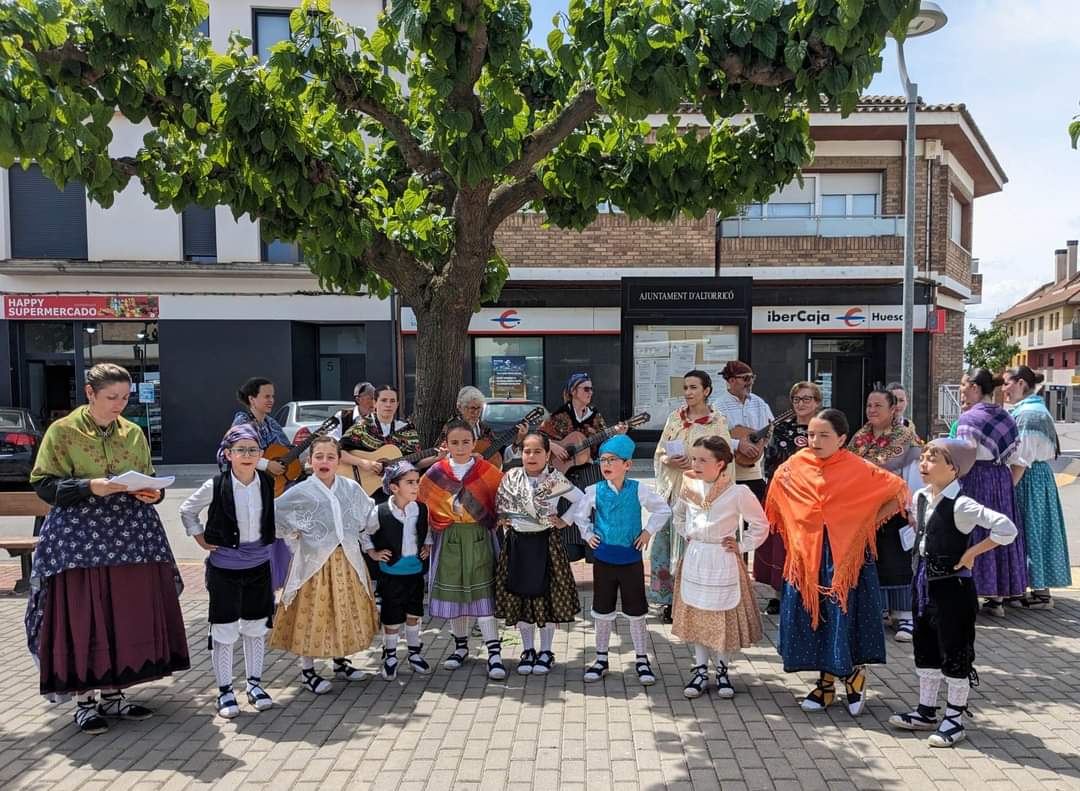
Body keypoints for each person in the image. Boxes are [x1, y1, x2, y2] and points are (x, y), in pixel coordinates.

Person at [25, 363, 189, 735]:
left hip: (131, 534)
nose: (119, 405)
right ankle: (84, 701)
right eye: (112, 398)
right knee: (85, 613)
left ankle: (116, 693)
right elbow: (44, 486)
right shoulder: (62, 432)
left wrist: (154, 494)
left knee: (124, 610)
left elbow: (149, 479)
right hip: (79, 539)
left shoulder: (133, 432)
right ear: (90, 394)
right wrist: (88, 487)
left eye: (125, 398)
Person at [766, 409, 907, 716]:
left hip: (846, 558)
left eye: (824, 436)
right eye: (812, 434)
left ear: (842, 439)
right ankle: (825, 683)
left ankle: (854, 677)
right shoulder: (795, 465)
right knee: (814, 617)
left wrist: (865, 523)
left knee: (846, 614)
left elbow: (897, 491)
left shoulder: (858, 468)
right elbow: (777, 492)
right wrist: (798, 526)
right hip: (807, 557)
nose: (815, 441)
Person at [888, 439, 1017, 747]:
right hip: (923, 584)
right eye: (923, 458)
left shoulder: (962, 504)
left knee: (955, 649)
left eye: (932, 459)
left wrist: (973, 551)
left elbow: (1006, 528)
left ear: (953, 469)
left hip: (952, 589)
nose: (924, 464)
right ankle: (926, 710)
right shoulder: (920, 496)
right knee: (926, 645)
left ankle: (955, 717)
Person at [179, 424, 276, 718]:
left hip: (259, 564)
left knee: (256, 626)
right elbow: (187, 509)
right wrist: (199, 537)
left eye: (253, 450)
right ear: (228, 454)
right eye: (240, 450)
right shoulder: (216, 484)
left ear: (260, 454)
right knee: (224, 629)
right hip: (225, 567)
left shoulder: (267, 482)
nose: (247, 455)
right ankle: (224, 690)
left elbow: (275, 514)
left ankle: (255, 684)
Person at [268, 436, 379, 693]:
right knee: (312, 612)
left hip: (347, 560)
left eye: (331, 457)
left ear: (339, 461)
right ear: (309, 461)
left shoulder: (350, 488)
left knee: (342, 610)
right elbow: (276, 515)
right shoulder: (300, 492)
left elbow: (369, 515)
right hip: (314, 563)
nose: (325, 462)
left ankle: (341, 661)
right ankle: (308, 670)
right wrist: (295, 535)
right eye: (319, 456)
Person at [565, 435, 671, 686]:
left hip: (631, 559)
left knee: (636, 611)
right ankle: (601, 658)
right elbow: (580, 514)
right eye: (603, 460)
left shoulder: (639, 489)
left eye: (613, 460)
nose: (606, 464)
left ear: (628, 465)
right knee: (602, 611)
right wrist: (588, 534)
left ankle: (642, 659)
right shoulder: (594, 490)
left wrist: (647, 532)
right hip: (603, 559)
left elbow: (663, 509)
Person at [672, 436, 769, 700]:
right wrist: (687, 534)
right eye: (694, 459)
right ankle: (700, 669)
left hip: (721, 557)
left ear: (721, 463)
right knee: (699, 613)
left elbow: (761, 524)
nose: (696, 464)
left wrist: (742, 545)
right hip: (696, 556)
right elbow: (679, 514)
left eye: (703, 460)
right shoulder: (689, 486)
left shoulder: (738, 493)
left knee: (721, 615)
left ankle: (723, 669)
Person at [419, 420, 507, 680]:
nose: (460, 447)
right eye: (454, 443)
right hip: (447, 537)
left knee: (483, 593)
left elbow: (503, 498)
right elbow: (424, 509)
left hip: (479, 536)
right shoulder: (435, 473)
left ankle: (494, 651)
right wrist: (426, 540)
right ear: (446, 444)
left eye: (465, 442)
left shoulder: (487, 471)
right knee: (456, 594)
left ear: (473, 444)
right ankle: (460, 647)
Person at [494, 431, 584, 675]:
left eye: (537, 451)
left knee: (546, 597)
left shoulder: (554, 479)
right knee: (521, 595)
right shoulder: (510, 476)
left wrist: (565, 521)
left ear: (547, 455)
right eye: (526, 451)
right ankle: (527, 650)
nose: (531, 456)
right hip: (517, 544)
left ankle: (546, 651)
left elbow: (580, 500)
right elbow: (500, 503)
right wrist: (503, 518)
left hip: (546, 542)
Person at [650, 370, 732, 622]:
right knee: (666, 546)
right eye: (685, 387)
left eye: (694, 387)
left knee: (696, 549)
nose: (688, 393)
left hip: (702, 496)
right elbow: (660, 451)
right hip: (675, 492)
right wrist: (669, 460)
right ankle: (671, 601)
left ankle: (698, 603)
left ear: (707, 390)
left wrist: (697, 466)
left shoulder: (717, 422)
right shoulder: (675, 419)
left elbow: (725, 460)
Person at [848, 388, 923, 642]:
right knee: (870, 561)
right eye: (869, 405)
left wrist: (912, 509)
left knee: (897, 562)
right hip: (864, 511)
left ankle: (905, 616)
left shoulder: (906, 438)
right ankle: (877, 611)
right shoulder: (859, 438)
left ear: (893, 409)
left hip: (895, 510)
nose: (872, 410)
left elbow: (913, 478)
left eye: (878, 405)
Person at [955, 368, 1028, 617]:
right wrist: (1007, 486)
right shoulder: (1006, 417)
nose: (961, 389)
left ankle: (971, 592)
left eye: (963, 385)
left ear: (975, 387)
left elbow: (965, 457)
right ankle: (997, 598)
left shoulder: (968, 420)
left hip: (975, 478)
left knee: (973, 532)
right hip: (1001, 479)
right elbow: (1019, 460)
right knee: (999, 531)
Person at [1003, 365, 1072, 608]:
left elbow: (1021, 459)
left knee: (1028, 529)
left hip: (1028, 478)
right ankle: (1039, 589)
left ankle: (1038, 593)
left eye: (1007, 383)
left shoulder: (1028, 414)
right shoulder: (1035, 409)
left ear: (1021, 383)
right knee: (1038, 530)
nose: (1004, 389)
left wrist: (1007, 489)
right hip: (1039, 477)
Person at [540, 372, 625, 558]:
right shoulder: (559, 415)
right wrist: (552, 445)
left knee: (593, 513)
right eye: (586, 388)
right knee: (565, 520)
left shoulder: (595, 416)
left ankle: (596, 563)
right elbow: (539, 438)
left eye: (591, 389)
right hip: (565, 476)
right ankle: (566, 566)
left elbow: (605, 444)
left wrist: (617, 435)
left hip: (590, 473)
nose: (590, 392)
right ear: (573, 391)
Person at [362, 460, 433, 681]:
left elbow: (426, 531)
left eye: (417, 482)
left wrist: (427, 545)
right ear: (394, 487)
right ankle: (390, 656)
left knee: (414, 614)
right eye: (410, 482)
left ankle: (414, 653)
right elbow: (364, 534)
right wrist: (373, 553)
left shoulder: (421, 509)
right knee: (392, 618)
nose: (415, 487)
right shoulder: (379, 511)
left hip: (414, 571)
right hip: (391, 573)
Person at [758, 381, 821, 615]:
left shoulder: (822, 428)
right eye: (796, 399)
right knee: (780, 544)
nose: (801, 404)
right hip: (783, 492)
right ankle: (777, 593)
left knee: (805, 544)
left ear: (817, 402)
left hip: (812, 495)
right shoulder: (782, 428)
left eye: (807, 399)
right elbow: (770, 459)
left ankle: (805, 590)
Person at [231, 377, 293, 590]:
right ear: (252, 398)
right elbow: (232, 451)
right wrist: (266, 464)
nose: (271, 400)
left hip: (273, 490)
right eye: (266, 396)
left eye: (273, 396)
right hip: (250, 490)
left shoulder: (271, 422)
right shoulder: (242, 422)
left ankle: (273, 585)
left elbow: (286, 450)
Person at [340, 384, 430, 500]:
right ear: (375, 403)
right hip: (365, 491)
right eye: (384, 400)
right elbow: (338, 453)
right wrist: (363, 463)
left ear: (397, 404)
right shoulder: (362, 427)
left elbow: (415, 463)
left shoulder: (407, 429)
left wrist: (437, 457)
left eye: (392, 401)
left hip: (397, 491)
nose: (388, 405)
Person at [713, 360, 774, 503]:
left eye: (752, 378)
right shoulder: (718, 406)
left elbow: (769, 432)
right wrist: (738, 445)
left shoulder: (759, 403)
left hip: (756, 473)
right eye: (745, 378)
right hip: (731, 474)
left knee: (758, 518)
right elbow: (714, 438)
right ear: (731, 381)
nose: (750, 382)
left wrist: (764, 440)